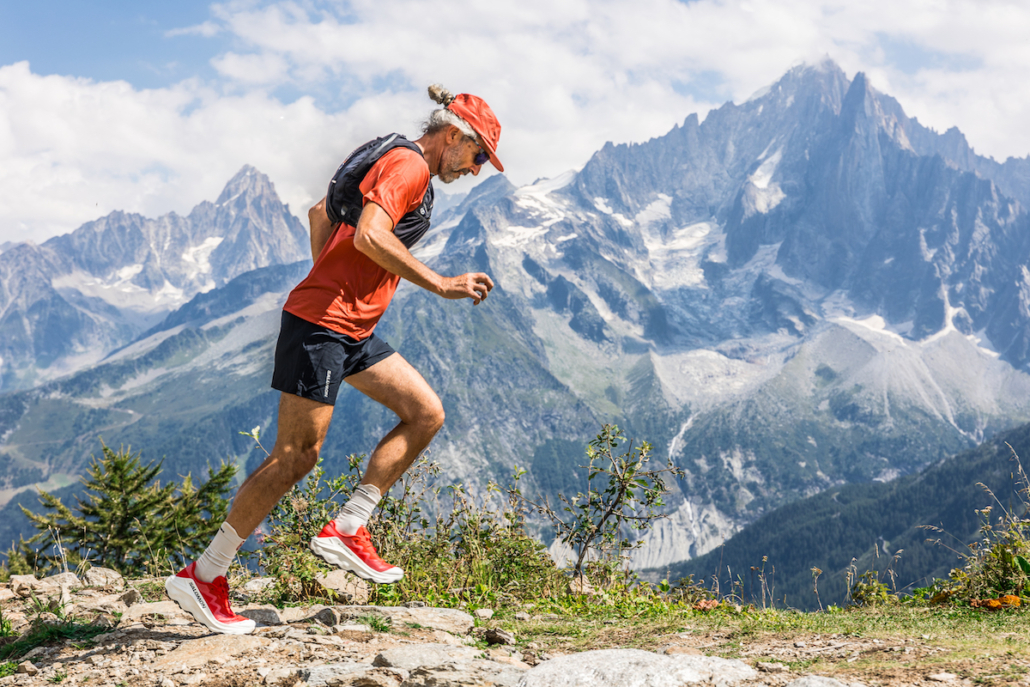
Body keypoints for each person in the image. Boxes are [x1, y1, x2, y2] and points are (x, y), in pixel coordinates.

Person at [165, 85, 504, 635]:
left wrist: (335, 276)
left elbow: (321, 210)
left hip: (352, 326)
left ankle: (349, 528)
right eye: (478, 155)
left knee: (425, 413)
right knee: (295, 457)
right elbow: (370, 233)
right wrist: (439, 283)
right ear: (452, 136)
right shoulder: (410, 166)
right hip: (323, 325)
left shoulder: (393, 155)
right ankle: (203, 576)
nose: (477, 169)